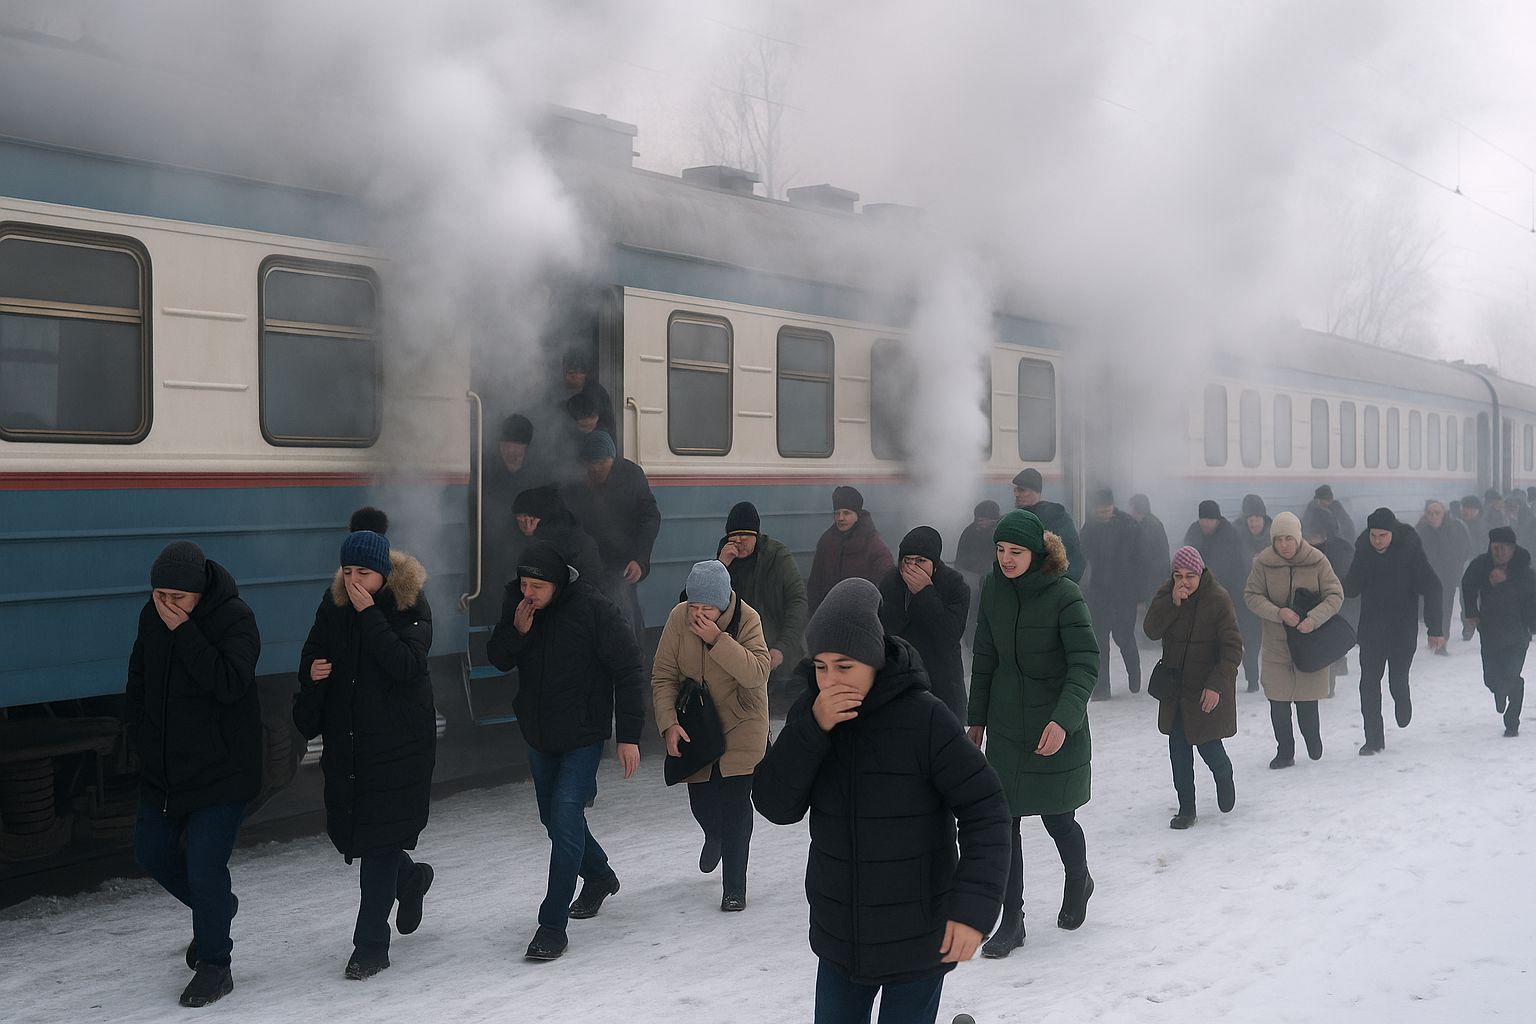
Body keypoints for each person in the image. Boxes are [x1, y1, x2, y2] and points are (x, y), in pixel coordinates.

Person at [752, 579, 1010, 1024]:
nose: (830, 681)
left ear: (873, 660)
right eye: (821, 667)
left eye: (845, 667)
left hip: (917, 937)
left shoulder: (924, 718)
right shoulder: (809, 717)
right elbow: (775, 805)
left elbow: (986, 809)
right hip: (840, 939)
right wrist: (812, 730)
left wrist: (972, 909)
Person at [486, 542, 645, 960]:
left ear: (558, 584)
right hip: (540, 734)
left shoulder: (593, 609)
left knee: (564, 813)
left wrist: (628, 735)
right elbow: (498, 658)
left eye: (537, 586)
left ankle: (552, 925)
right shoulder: (518, 606)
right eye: (524, 584)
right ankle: (599, 876)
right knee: (552, 818)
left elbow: (628, 668)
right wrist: (516, 632)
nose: (529, 593)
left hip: (582, 735)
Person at [293, 530, 436, 981]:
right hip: (352, 744)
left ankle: (370, 946)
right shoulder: (332, 606)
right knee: (370, 836)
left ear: (384, 574)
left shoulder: (409, 606)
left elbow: (406, 666)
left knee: (377, 845)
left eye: (365, 573)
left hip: (399, 747)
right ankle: (411, 880)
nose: (354, 581)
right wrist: (312, 673)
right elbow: (314, 654)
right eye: (348, 571)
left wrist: (370, 614)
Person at [125, 541, 261, 1008]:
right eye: (158, 594)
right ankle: (218, 909)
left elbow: (230, 682)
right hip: (165, 771)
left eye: (175, 598)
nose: (165, 605)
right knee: (151, 852)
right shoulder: (153, 615)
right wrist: (138, 734)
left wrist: (185, 632)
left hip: (222, 771)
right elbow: (139, 677)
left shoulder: (235, 618)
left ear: (199, 592)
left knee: (204, 869)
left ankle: (214, 965)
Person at [968, 509, 1098, 960]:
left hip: (1053, 725)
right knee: (1005, 823)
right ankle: (1012, 920)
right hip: (1006, 726)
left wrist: (1064, 720)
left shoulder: (1065, 595)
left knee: (1058, 817)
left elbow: (1085, 663)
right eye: (1000, 551)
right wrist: (976, 720)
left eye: (1016, 552)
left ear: (1037, 553)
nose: (1006, 559)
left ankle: (1078, 879)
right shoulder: (993, 591)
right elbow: (984, 657)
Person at [651, 560, 771, 911]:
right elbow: (662, 676)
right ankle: (712, 832)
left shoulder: (747, 619)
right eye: (694, 606)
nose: (698, 615)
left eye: (707, 608)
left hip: (741, 720)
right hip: (697, 723)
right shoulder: (677, 619)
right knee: (701, 801)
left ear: (723, 604)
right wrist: (668, 723)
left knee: (736, 805)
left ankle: (734, 888)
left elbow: (758, 673)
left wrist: (718, 640)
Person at [1143, 546, 1240, 829]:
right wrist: (1171, 603)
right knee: (1178, 751)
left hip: (1204, 689)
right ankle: (1186, 808)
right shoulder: (1167, 594)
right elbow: (1150, 630)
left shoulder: (1218, 599)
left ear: (1200, 574)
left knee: (1209, 747)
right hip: (1174, 690)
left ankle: (1224, 774)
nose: (1183, 582)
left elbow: (1232, 648)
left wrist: (1216, 686)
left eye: (1189, 576)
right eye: (1177, 575)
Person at [1244, 512, 1343, 769]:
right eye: (1279, 539)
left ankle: (1312, 739)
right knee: (1278, 702)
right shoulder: (1263, 564)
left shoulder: (1318, 561)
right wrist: (1278, 613)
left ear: (1298, 538)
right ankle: (1284, 751)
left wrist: (1314, 618)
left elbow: (1335, 595)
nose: (1284, 545)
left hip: (1309, 642)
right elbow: (1252, 596)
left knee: (1306, 701)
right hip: (1276, 645)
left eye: (1289, 538)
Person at [1342, 509, 1444, 755]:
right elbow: (1352, 587)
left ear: (1393, 533)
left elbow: (1433, 586)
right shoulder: (1364, 552)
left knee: (1397, 681)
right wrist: (1333, 585)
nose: (1377, 540)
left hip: (1402, 631)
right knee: (1368, 684)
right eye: (1373, 535)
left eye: (1382, 535)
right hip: (1371, 631)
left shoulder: (1409, 552)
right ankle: (1373, 739)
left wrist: (1435, 628)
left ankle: (1402, 699)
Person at [560, 430, 661, 654]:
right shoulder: (575, 484)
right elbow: (568, 522)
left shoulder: (632, 475)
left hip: (622, 564)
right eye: (592, 463)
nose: (597, 468)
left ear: (612, 459)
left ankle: (634, 668)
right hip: (585, 565)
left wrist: (640, 559)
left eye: (602, 463)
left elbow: (650, 517)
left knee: (625, 617)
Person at [877, 526, 972, 720]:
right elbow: (884, 629)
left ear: (934, 564)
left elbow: (949, 635)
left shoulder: (954, 585)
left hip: (942, 681)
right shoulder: (890, 582)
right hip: (900, 678)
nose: (912, 567)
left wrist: (925, 593)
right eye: (907, 561)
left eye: (920, 561)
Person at [714, 501, 808, 695]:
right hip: (737, 656)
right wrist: (721, 566)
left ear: (756, 535)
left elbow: (797, 601)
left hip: (776, 653)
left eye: (745, 535)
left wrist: (782, 647)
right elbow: (699, 601)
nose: (739, 541)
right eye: (734, 535)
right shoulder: (723, 561)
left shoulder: (777, 557)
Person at [1462, 526, 1536, 738]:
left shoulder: (1523, 570)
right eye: (1496, 548)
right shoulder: (1481, 565)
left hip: (1517, 632)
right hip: (1490, 630)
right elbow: (1467, 584)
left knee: (1512, 675)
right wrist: (1471, 612)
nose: (1500, 552)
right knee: (1491, 678)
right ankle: (1500, 691)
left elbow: (1533, 596)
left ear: (1513, 549)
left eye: (1505, 548)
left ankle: (1512, 721)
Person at [1078, 489, 1145, 698]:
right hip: (1099, 593)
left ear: (1113, 506)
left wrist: (1141, 595)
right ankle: (1102, 688)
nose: (1104, 511)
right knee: (1099, 640)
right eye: (1101, 508)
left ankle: (1134, 673)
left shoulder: (1128, 525)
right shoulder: (1090, 527)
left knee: (1123, 636)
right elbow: (1082, 555)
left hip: (1124, 593)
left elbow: (1139, 562)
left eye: (1107, 507)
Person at [807, 486, 894, 613]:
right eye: (837, 513)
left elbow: (883, 593)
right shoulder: (826, 542)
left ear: (857, 514)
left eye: (846, 513)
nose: (840, 518)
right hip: (826, 618)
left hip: (860, 621)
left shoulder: (876, 549)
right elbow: (815, 583)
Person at [513, 486, 604, 586]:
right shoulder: (578, 537)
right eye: (519, 520)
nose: (522, 525)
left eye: (520, 520)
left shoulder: (574, 544)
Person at [1416, 500, 1471, 658]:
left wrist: (1456, 566)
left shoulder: (1455, 529)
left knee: (1445, 609)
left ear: (1444, 514)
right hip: (1428, 577)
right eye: (1430, 514)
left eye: (1437, 513)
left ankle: (1442, 641)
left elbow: (1465, 548)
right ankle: (1434, 636)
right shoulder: (1421, 531)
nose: (1433, 517)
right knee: (1430, 608)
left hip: (1448, 577)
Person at [1011, 467, 1083, 582]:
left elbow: (1072, 554)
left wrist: (1062, 584)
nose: (1016, 494)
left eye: (1022, 490)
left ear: (1036, 492)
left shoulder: (1057, 517)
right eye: (1015, 490)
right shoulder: (1015, 519)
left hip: (1050, 584)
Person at [1234, 494, 1272, 691]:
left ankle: (1273, 678)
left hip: (1271, 597)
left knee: (1273, 641)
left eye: (1257, 518)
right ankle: (1252, 680)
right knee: (1250, 640)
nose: (1254, 523)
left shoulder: (1276, 535)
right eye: (1250, 519)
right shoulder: (1237, 536)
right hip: (1246, 596)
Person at [955, 500, 1002, 652]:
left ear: (993, 520)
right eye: (978, 518)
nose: (979, 522)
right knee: (972, 610)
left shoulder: (1001, 532)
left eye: (983, 519)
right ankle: (970, 643)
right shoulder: (969, 532)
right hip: (972, 577)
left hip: (994, 578)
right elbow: (960, 561)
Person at [1182, 500, 1248, 606]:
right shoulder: (1194, 531)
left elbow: (1226, 566)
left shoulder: (1228, 533)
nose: (1207, 524)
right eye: (1204, 522)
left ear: (1217, 520)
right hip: (1198, 586)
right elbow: (1186, 555)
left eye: (1210, 521)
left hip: (1229, 588)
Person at [560, 347, 617, 436]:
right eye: (566, 371)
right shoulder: (556, 392)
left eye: (571, 371)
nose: (568, 375)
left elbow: (586, 425)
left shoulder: (595, 394)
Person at [1128, 494, 1171, 602]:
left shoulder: (1149, 527)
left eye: (1132, 509)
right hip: (1155, 581)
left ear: (1137, 509)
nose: (1131, 513)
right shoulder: (1153, 523)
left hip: (1150, 583)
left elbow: (1143, 558)